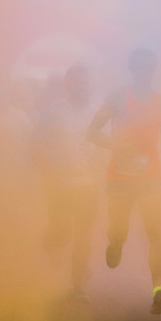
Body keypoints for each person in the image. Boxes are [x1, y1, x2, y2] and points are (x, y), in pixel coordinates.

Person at [87, 48, 161, 315]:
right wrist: (117, 145)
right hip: (120, 178)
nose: (147, 72)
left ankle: (158, 291)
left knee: (156, 232)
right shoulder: (118, 97)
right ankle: (116, 243)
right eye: (142, 67)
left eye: (151, 67)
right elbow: (92, 132)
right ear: (133, 69)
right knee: (119, 232)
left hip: (151, 177)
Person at [32, 65, 100, 302]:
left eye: (85, 83)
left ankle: (78, 284)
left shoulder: (97, 111)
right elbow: (36, 144)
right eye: (77, 83)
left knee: (84, 235)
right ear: (68, 86)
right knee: (61, 232)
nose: (82, 87)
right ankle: (51, 245)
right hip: (60, 184)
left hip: (89, 185)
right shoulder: (53, 112)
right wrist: (46, 172)